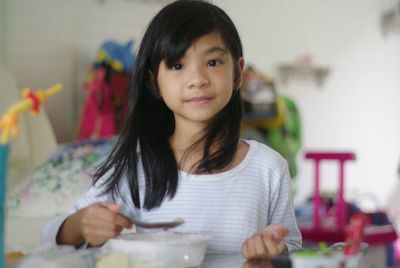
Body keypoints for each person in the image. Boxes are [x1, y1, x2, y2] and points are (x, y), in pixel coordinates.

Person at [42, 0, 302, 259]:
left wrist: (275, 249)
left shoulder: (268, 167)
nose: (197, 79)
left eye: (212, 62)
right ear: (154, 81)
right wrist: (82, 224)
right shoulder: (138, 166)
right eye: (177, 66)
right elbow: (51, 237)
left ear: (238, 73)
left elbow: (292, 246)